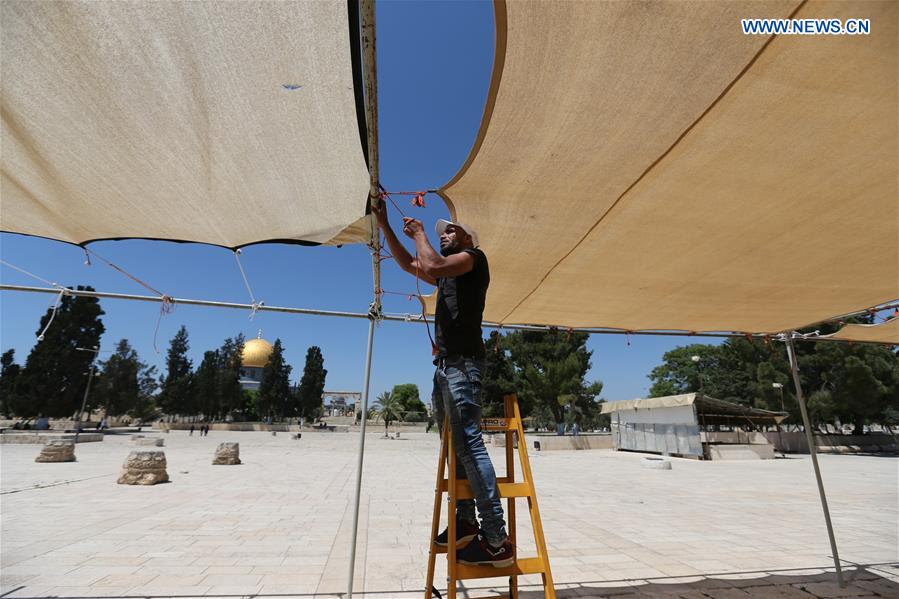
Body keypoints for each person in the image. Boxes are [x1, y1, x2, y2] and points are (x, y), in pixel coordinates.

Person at [374, 202, 513, 567]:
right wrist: (386, 225)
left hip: (465, 364)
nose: (443, 235)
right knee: (453, 445)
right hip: (446, 364)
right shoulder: (448, 273)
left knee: (469, 442)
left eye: (450, 230)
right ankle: (465, 519)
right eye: (440, 233)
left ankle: (496, 539)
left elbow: (431, 263)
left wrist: (420, 233)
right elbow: (410, 264)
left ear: (468, 237)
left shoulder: (473, 259)